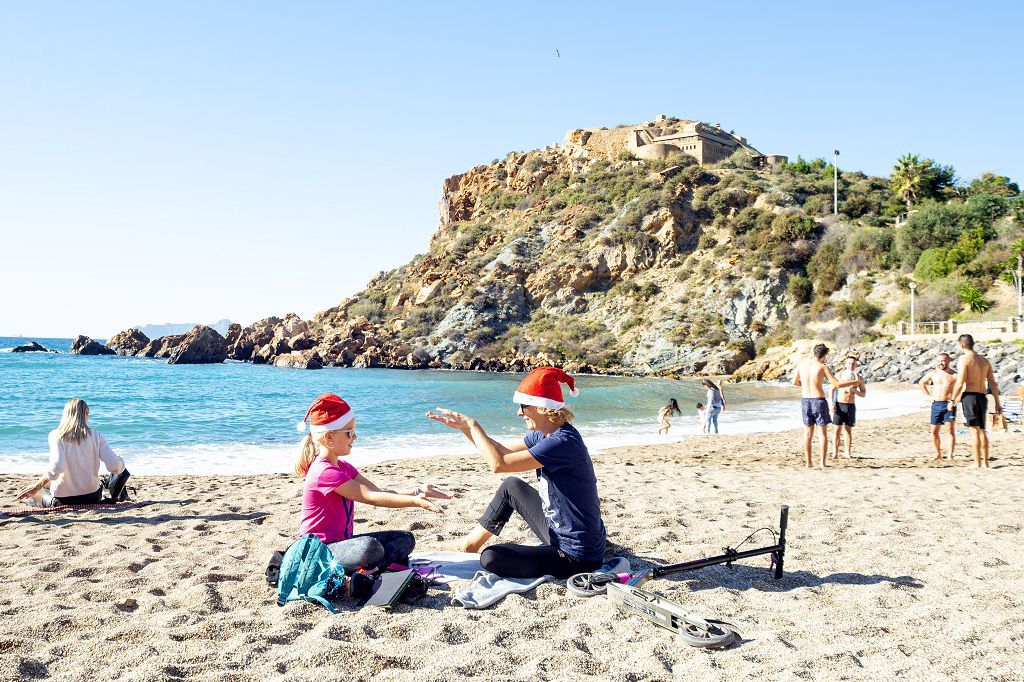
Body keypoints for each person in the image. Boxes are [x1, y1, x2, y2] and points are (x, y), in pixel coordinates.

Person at [426, 366, 606, 580]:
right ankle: (468, 545)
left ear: (541, 407)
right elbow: (500, 450)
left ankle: (477, 548)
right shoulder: (545, 435)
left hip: (576, 555)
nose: (519, 412)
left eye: (523, 405)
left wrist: (474, 425)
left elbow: (498, 463)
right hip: (558, 530)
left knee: (492, 558)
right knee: (511, 486)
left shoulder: (562, 442)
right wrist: (465, 429)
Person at [295, 393, 449, 571]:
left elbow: (378, 491)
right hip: (317, 552)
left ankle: (367, 569)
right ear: (329, 437)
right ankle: (366, 569)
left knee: (404, 539)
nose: (355, 437)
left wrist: (416, 492)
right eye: (349, 432)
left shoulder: (343, 467)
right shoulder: (324, 471)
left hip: (341, 545)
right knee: (369, 548)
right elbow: (370, 497)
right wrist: (415, 502)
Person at [16, 398, 128, 506]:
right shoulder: (96, 436)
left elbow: (56, 468)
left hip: (63, 500)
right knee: (48, 484)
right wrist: (121, 461)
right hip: (92, 497)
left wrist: (36, 486)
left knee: (37, 493)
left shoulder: (56, 435)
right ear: (86, 412)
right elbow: (115, 466)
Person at [792, 344, 862, 469]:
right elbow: (837, 384)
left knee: (807, 433)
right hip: (818, 400)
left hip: (805, 401)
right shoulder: (822, 367)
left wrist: (808, 384)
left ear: (814, 353)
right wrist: (855, 382)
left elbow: (794, 382)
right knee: (822, 433)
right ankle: (822, 463)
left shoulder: (802, 365)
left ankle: (809, 463)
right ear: (824, 355)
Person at [948, 335, 1002, 468]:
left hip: (970, 397)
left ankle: (977, 463)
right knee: (982, 430)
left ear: (961, 345)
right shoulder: (984, 360)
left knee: (974, 431)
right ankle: (986, 463)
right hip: (982, 397)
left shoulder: (964, 359)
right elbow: (993, 383)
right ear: (973, 344)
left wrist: (952, 399)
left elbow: (960, 382)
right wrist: (997, 402)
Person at [919, 352, 958, 461]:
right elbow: (921, 382)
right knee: (934, 431)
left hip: (949, 405)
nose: (940, 363)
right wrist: (928, 396)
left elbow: (963, 389)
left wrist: (954, 401)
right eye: (939, 361)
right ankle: (938, 454)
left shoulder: (954, 375)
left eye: (943, 361)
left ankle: (950, 455)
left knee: (950, 431)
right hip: (936, 404)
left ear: (948, 361)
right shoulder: (933, 373)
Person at [831, 356, 866, 459]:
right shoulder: (839, 376)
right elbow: (832, 390)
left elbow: (863, 394)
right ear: (845, 364)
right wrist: (832, 403)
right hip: (839, 404)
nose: (851, 365)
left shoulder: (859, 378)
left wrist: (854, 391)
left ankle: (847, 452)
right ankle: (835, 453)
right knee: (836, 430)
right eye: (849, 363)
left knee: (848, 430)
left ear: (856, 365)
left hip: (850, 406)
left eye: (853, 364)